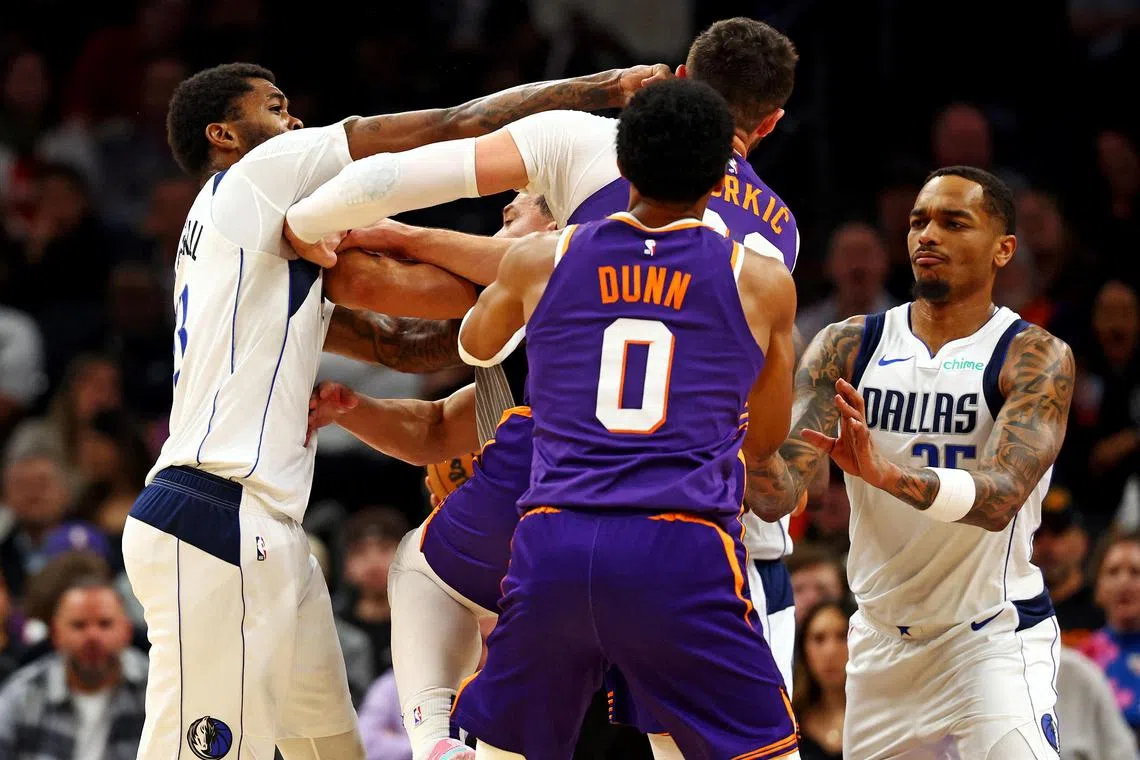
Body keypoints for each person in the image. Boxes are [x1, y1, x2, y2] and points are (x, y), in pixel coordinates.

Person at [120, 60, 665, 760]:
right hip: (218, 510)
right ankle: (438, 735)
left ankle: (438, 738)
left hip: (269, 525)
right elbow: (450, 125)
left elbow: (409, 348)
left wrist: (513, 283)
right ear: (223, 134)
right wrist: (599, 92)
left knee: (328, 748)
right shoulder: (260, 174)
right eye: (277, 107)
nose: (295, 124)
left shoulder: (243, 249)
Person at [289, 18, 803, 757]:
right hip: (691, 519)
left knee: (424, 571)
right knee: (686, 728)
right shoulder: (772, 252)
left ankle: (433, 739)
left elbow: (465, 326)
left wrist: (314, 222)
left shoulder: (553, 237)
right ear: (769, 124)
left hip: (555, 502)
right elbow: (762, 441)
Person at [449, 79, 799, 760]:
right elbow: (763, 441)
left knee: (500, 750)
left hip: (555, 539)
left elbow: (475, 346)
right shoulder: (759, 281)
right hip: (680, 548)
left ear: (624, 165)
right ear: (718, 180)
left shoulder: (539, 259)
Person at [747, 166, 1074, 759]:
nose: (929, 235)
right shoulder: (848, 344)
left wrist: (882, 474)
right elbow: (777, 495)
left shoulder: (1033, 354)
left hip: (990, 641)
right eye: (919, 221)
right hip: (878, 649)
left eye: (954, 223)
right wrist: (737, 429)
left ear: (1004, 250)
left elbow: (1001, 498)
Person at [0, 578, 148, 760]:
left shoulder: (156, 690)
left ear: (127, 630)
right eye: (79, 625)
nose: (92, 636)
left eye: (105, 624)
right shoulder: (21, 695)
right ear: (55, 633)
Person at [793, 600, 854, 760]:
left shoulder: (881, 718)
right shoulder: (787, 725)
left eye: (842, 636)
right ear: (803, 650)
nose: (830, 651)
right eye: (818, 639)